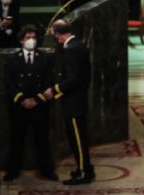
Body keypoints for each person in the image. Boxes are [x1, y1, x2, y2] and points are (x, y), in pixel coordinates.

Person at [4, 24, 57, 182]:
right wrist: (22, 100)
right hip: (19, 107)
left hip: (39, 106)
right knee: (16, 139)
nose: (31, 40)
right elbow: (9, 83)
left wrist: (37, 100)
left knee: (42, 139)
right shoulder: (12, 59)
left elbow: (49, 80)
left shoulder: (45, 58)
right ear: (21, 40)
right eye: (28, 38)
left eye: (34, 37)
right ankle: (13, 170)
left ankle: (47, 170)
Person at [44, 20, 94, 185]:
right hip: (78, 100)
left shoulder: (71, 49)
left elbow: (74, 79)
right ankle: (84, 168)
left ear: (59, 34)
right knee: (79, 139)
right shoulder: (78, 45)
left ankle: (83, 174)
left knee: (78, 140)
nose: (55, 39)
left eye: (54, 35)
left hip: (74, 103)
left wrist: (54, 90)